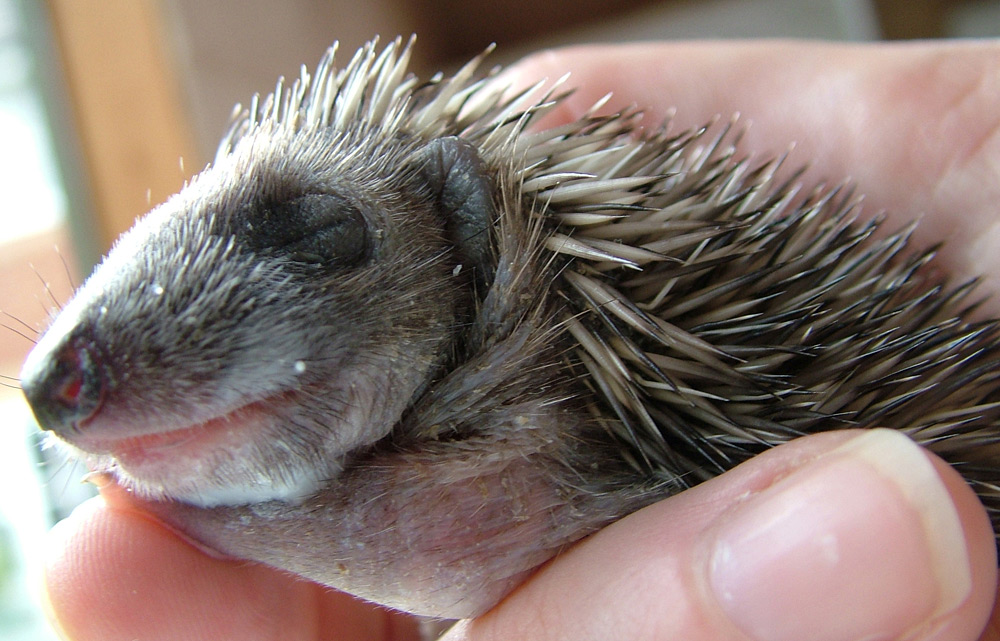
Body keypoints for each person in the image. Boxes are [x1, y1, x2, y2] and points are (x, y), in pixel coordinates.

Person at [42, 40, 1000, 641]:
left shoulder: (548, 385)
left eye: (323, 236)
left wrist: (223, 518)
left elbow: (458, 531)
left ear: (464, 224)